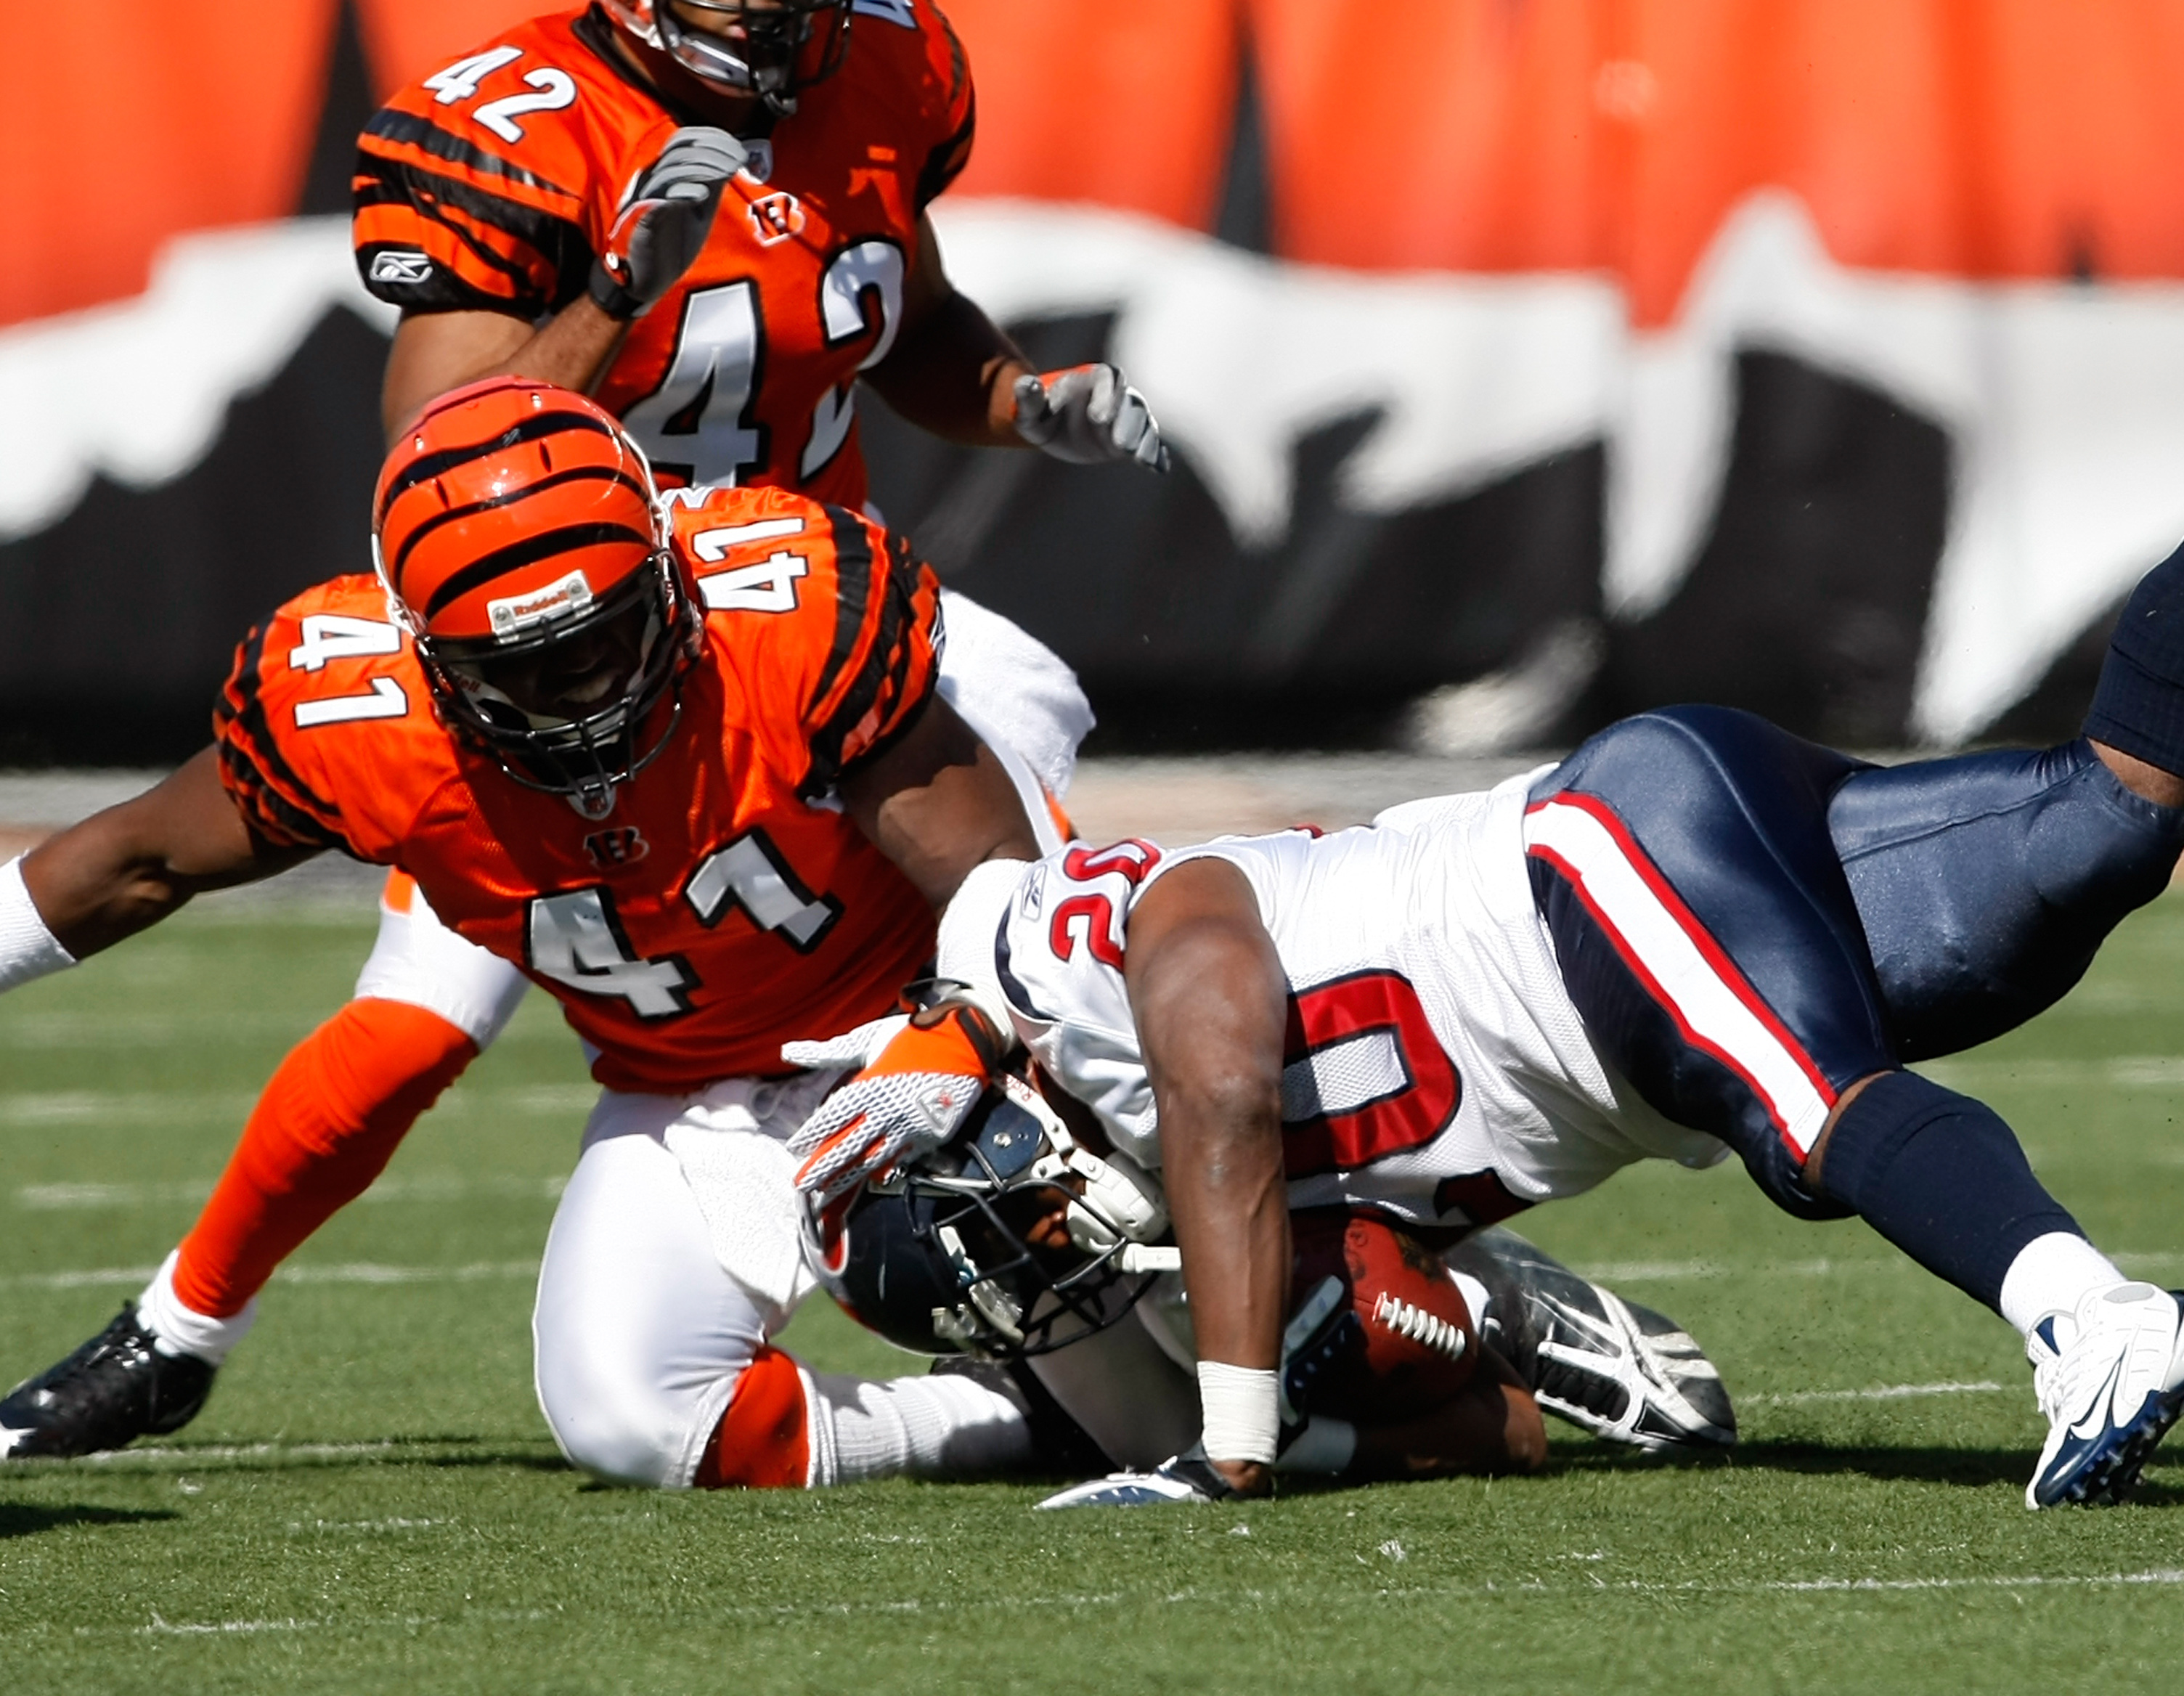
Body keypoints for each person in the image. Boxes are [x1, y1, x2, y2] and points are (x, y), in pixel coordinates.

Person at [784, 166, 2184, 1509]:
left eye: (1002, 1248)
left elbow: (1214, 1032)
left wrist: (1230, 1441)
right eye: (1017, 1292)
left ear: (978, 1138)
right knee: (2111, 826)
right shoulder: (1180, 1249)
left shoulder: (1036, 965)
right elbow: (1489, 1425)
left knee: (1808, 1110)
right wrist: (1354, 1400)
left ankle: (2096, 1324)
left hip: (1589, 870)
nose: (1042, 1268)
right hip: (1648, 958)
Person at [0, 380, 1724, 1488]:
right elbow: (121, 865)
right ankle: (1027, 1418)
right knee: (623, 1414)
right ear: (428, 659)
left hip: (926, 1028)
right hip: (684, 1081)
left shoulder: (790, 616)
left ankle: (1443, 1306)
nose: (585, 691)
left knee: (1177, 1396)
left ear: (671, 574)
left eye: (605, 638)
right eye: (526, 670)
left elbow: (1006, 904)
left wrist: (950, 1057)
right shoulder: (344, 706)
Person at [0, 0, 1173, 1456]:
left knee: (1058, 962)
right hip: (532, 652)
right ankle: (176, 1332)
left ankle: (1311, 1258)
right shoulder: (517, 128)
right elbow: (443, 453)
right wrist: (620, 291)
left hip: (771, 623)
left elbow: (916, 325)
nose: (775, 15)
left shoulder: (889, 63)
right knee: (419, 1015)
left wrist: (1012, 400)